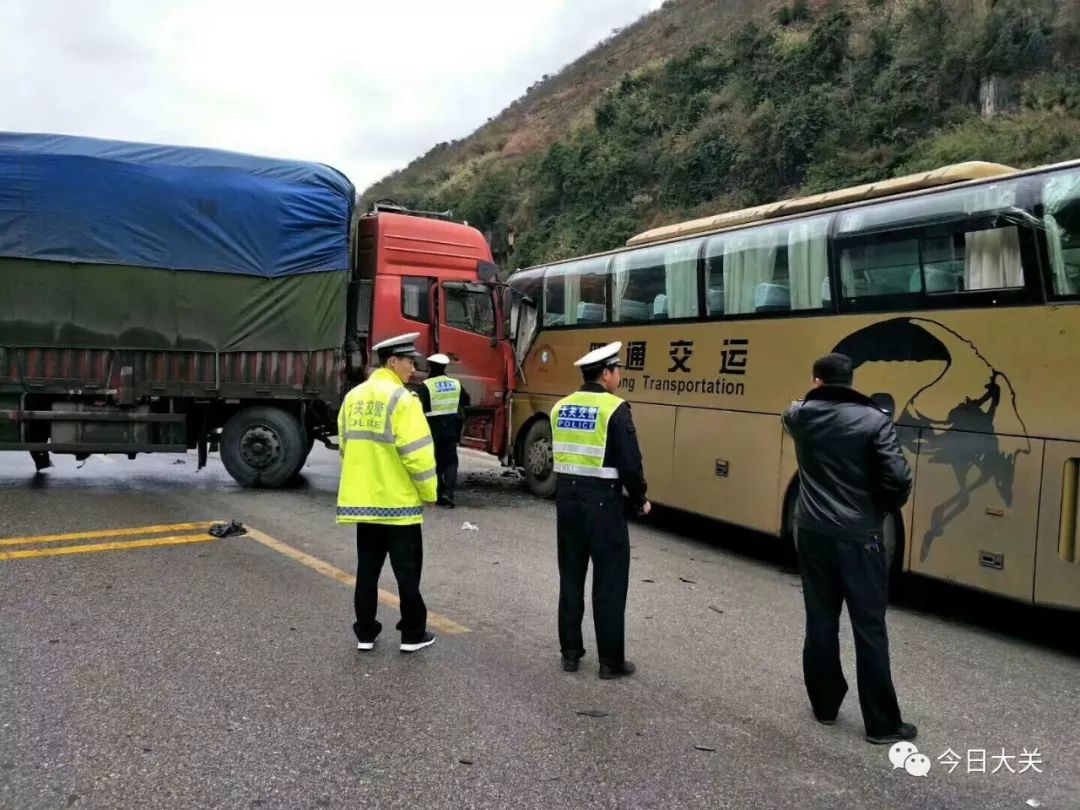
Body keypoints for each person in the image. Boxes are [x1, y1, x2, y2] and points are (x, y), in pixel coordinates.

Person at [781, 352, 916, 744]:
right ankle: (881, 723)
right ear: (851, 380)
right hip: (860, 536)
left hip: (811, 532)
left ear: (816, 380)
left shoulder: (799, 416)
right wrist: (878, 508)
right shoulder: (875, 421)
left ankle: (824, 706)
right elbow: (898, 480)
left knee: (820, 618)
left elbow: (795, 411)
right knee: (869, 627)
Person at [550, 341, 649, 679]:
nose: (619, 375)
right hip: (604, 505)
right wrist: (640, 499)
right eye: (618, 370)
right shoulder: (615, 409)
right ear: (606, 373)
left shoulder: (560, 407)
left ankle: (570, 654)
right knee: (609, 582)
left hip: (567, 503)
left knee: (571, 577)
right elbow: (630, 465)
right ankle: (610, 662)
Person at [337, 332, 439, 654]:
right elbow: (418, 454)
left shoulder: (353, 397)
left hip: (365, 505)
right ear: (393, 361)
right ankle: (412, 633)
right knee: (407, 574)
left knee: (367, 571)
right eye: (410, 362)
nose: (414, 369)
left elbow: (345, 446)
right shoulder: (403, 400)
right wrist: (430, 492)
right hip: (399, 507)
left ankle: (365, 632)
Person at [417, 353, 471, 508]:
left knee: (434, 461)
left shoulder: (426, 385)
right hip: (452, 428)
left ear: (430, 367)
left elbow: (420, 407)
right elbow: (466, 400)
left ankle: (438, 492)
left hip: (432, 429)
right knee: (451, 461)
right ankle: (448, 493)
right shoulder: (455, 383)